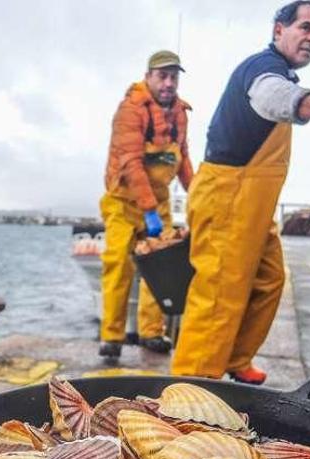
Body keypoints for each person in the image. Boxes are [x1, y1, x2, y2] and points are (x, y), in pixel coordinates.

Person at [171, 1, 310, 384]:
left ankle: (235, 356)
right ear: (279, 30)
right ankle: (190, 387)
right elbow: (272, 98)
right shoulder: (263, 70)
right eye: (306, 27)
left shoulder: (282, 74)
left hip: (252, 207)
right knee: (217, 295)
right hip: (228, 196)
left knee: (269, 278)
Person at [99, 50, 195, 360]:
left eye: (174, 77)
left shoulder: (180, 113)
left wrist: (198, 195)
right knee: (119, 266)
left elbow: (183, 160)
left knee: (161, 268)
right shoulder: (130, 110)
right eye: (162, 76)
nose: (169, 83)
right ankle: (111, 337)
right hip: (123, 201)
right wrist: (147, 209)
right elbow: (130, 162)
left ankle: (152, 333)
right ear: (149, 76)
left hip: (160, 201)